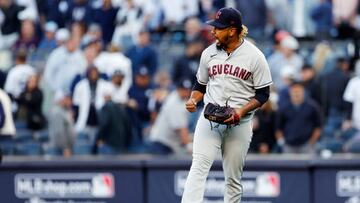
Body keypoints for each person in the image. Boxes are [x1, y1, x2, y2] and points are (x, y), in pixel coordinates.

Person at [181, 7, 272, 203]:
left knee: (233, 179)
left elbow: (263, 94)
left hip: (239, 122)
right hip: (210, 119)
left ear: (232, 30)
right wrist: (193, 99)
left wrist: (241, 111)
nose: (213, 31)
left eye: (218, 28)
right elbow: (200, 85)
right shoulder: (208, 53)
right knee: (198, 166)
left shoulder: (255, 56)